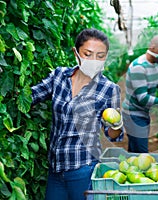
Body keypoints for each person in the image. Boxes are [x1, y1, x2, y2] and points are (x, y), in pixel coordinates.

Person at [30, 28, 123, 200]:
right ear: (76, 52)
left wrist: (116, 123)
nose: (94, 60)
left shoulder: (109, 89)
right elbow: (30, 96)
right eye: (88, 54)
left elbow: (113, 136)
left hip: (84, 168)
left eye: (100, 56)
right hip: (56, 169)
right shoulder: (59, 76)